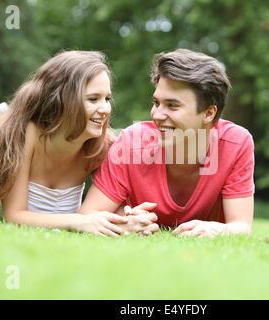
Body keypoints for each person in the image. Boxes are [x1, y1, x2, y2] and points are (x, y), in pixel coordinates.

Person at [0, 50, 158, 237]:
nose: (105, 109)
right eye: (93, 99)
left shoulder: (100, 147)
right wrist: (78, 222)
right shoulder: (27, 134)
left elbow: (109, 205)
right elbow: (14, 217)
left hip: (3, 154)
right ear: (63, 98)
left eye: (107, 99)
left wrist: (129, 217)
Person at [79, 49, 255, 237]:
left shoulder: (235, 143)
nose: (157, 115)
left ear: (208, 113)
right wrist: (123, 222)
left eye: (172, 105)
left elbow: (241, 226)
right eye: (156, 103)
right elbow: (89, 215)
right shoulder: (132, 142)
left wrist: (219, 229)